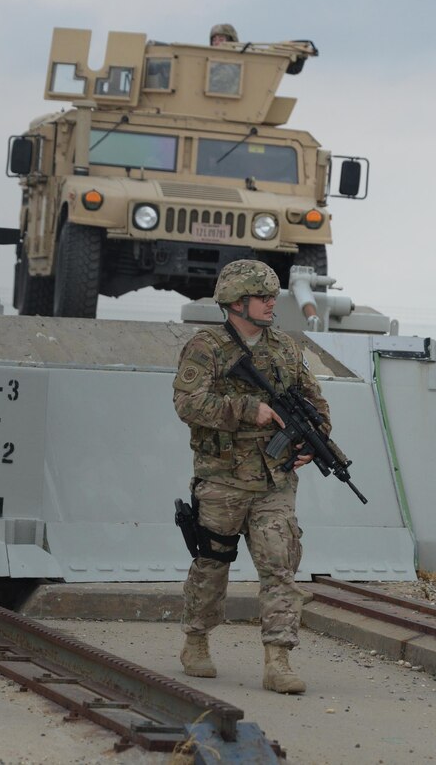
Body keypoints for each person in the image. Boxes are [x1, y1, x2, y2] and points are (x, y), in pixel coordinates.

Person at [172, 260, 332, 694]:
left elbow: (316, 404)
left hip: (274, 484)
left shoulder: (285, 348)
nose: (271, 304)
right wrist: (248, 410)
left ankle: (278, 660)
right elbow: (188, 404)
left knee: (280, 568)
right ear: (236, 302)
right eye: (263, 297)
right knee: (211, 565)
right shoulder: (206, 348)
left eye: (272, 297)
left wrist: (310, 442)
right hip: (222, 480)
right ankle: (197, 641)